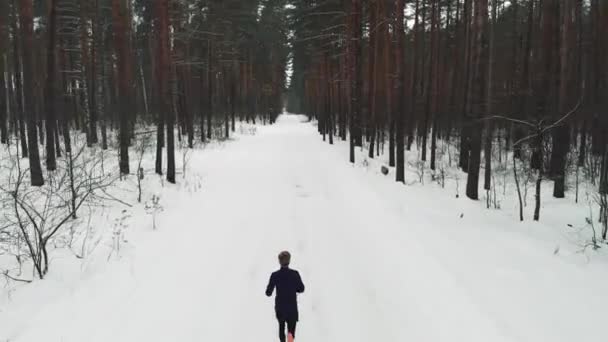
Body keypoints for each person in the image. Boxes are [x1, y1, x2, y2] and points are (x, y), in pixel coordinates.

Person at [266, 251, 305, 342]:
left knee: (281, 327)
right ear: (289, 261)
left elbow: (268, 293)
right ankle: (290, 339)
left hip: (280, 307)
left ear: (279, 261)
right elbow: (302, 289)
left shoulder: (275, 275)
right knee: (291, 331)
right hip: (292, 307)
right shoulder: (295, 274)